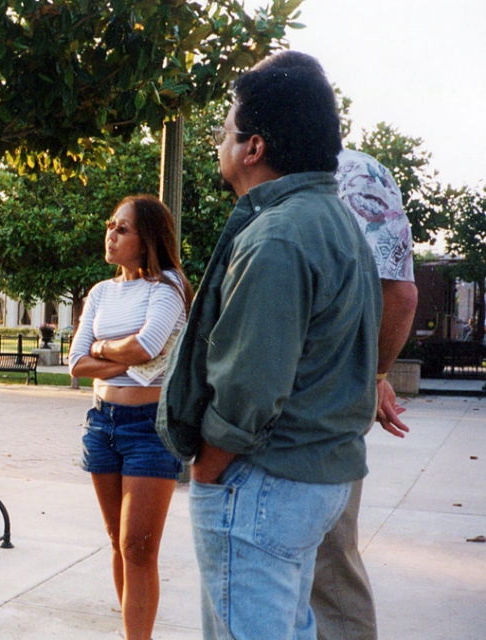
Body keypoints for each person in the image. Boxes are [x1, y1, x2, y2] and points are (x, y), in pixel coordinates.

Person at [158, 50, 382, 640]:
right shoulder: (335, 222)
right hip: (309, 481)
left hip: (263, 483)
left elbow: (249, 385)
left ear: (253, 147)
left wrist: (208, 469)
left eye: (225, 131)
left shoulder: (279, 234)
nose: (218, 142)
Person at [68, 195, 192, 640]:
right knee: (119, 545)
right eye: (110, 225)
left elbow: (148, 347)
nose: (111, 234)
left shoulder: (169, 287)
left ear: (148, 239)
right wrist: (119, 354)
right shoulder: (101, 292)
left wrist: (103, 349)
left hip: (149, 430)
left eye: (123, 229)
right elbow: (76, 363)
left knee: (138, 548)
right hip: (102, 425)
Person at [310, 148, 418, 640]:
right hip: (294, 404)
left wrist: (374, 375)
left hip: (320, 405)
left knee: (328, 565)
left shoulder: (354, 174)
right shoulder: (278, 174)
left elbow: (399, 291)